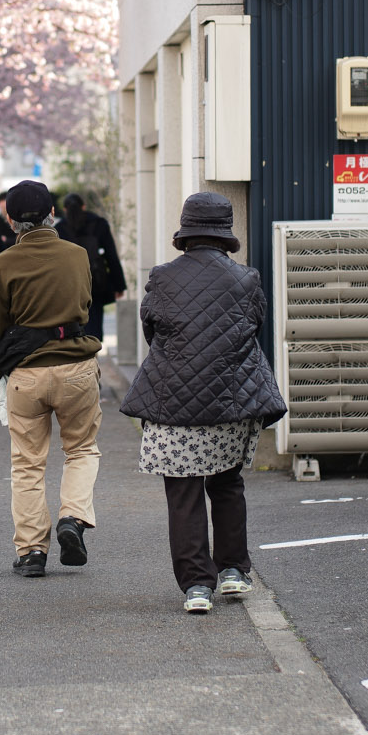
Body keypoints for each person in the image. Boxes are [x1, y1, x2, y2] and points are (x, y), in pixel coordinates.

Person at [118, 192, 286, 614]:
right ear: (225, 232)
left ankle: (196, 586)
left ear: (186, 231)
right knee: (227, 484)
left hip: (173, 401)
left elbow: (151, 332)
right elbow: (254, 328)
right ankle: (233, 571)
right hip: (230, 398)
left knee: (184, 494)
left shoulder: (162, 277)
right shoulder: (247, 278)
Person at [0, 179, 102, 577]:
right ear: (52, 214)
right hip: (77, 369)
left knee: (27, 465)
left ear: (10, 220)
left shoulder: (4, 264)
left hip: (26, 376)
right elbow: (84, 306)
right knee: (81, 450)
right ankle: (73, 518)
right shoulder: (76, 255)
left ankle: (31, 552)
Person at [55, 193, 127, 341]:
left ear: (65, 209)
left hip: (69, 286)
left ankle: (75, 356)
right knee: (94, 322)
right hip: (96, 283)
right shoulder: (99, 224)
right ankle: (92, 356)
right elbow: (111, 256)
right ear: (84, 206)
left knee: (71, 326)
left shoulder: (59, 228)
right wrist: (119, 286)